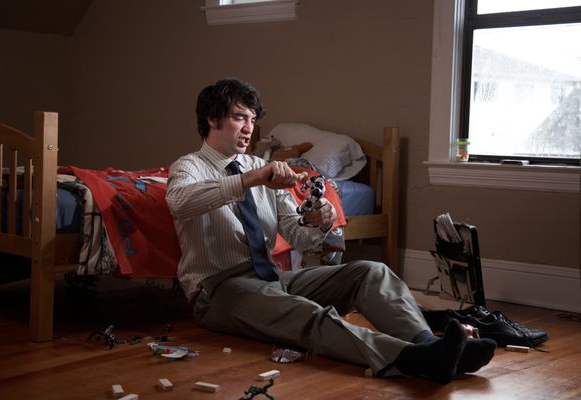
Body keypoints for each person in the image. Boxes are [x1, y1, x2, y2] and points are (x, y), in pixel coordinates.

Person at [165, 78, 496, 383]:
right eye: (240, 117)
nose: (249, 128)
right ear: (212, 118)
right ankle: (410, 359)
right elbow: (180, 202)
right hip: (220, 290)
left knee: (372, 273)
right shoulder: (189, 166)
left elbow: (295, 235)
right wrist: (250, 179)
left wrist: (315, 222)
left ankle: (433, 347)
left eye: (253, 120)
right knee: (308, 315)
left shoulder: (256, 166)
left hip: (272, 280)